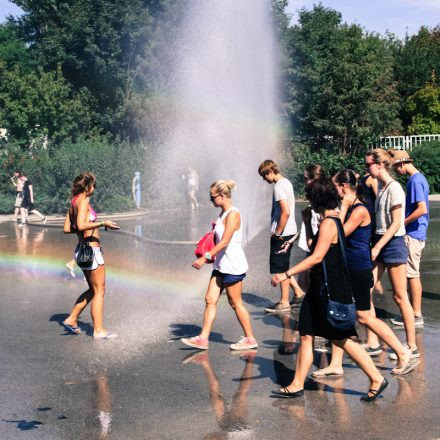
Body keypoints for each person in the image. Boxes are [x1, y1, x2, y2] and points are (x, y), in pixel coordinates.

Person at [271, 178, 388, 402]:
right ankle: (296, 383)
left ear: (318, 198)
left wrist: (286, 274)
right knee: (306, 334)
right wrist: (306, 222)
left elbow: (316, 257)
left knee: (341, 338)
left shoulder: (329, 223)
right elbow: (315, 245)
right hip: (320, 287)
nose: (308, 201)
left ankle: (376, 378)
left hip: (330, 289)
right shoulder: (331, 219)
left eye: (310, 197)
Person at [312, 170, 417, 378]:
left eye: (335, 186)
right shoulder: (349, 207)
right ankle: (336, 364)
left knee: (364, 316)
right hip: (348, 268)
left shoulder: (358, 209)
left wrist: (342, 208)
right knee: (342, 315)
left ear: (344, 187)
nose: (334, 191)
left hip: (358, 269)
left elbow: (338, 232)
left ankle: (403, 352)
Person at [181, 180, 257, 350]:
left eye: (212, 197)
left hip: (232, 265)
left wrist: (204, 257)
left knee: (235, 302)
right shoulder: (223, 214)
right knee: (210, 299)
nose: (211, 200)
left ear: (222, 196)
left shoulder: (233, 214)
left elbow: (225, 242)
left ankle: (250, 338)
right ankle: (203, 338)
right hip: (221, 265)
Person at [364, 149, 419, 359]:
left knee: (399, 296)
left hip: (393, 243)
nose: (366, 169)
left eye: (368, 164)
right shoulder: (382, 187)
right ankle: (373, 341)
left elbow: (396, 223)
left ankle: (411, 346)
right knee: (365, 289)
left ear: (380, 165)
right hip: (380, 241)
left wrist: (378, 247)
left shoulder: (395, 188)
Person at [63, 172, 120, 339]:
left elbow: (67, 228)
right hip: (91, 251)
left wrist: (86, 228)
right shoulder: (83, 202)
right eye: (94, 185)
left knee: (93, 289)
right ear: (87, 187)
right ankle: (98, 330)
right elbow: (80, 225)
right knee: (100, 291)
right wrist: (102, 223)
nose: (94, 188)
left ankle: (72, 319)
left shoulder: (73, 203)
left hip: (81, 250)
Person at [390, 150, 429, 328]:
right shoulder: (418, 178)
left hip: (413, 233)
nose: (397, 172)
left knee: (412, 274)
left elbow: (422, 209)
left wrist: (401, 223)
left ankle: (416, 315)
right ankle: (415, 313)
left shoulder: (414, 181)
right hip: (416, 232)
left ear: (402, 164)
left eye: (396, 168)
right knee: (413, 273)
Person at [258, 160, 297, 313]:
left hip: (283, 233)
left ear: (270, 172)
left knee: (280, 269)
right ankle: (299, 293)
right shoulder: (286, 182)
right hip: (289, 231)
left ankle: (284, 302)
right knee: (283, 266)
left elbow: (285, 212)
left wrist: (278, 233)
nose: (264, 179)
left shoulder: (279, 187)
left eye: (264, 176)